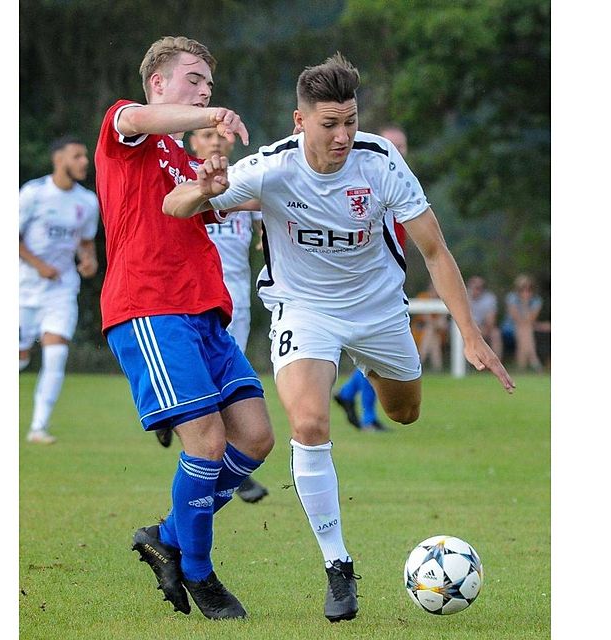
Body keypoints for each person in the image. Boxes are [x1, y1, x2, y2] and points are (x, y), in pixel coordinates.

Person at [163, 53, 514, 623]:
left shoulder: (380, 161)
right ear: (300, 122)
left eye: (350, 120)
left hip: (378, 310)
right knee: (307, 423)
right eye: (330, 124)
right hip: (304, 311)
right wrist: (201, 190)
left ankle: (364, 386)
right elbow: (173, 206)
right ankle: (338, 565)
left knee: (404, 413)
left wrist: (470, 336)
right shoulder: (269, 167)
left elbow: (434, 250)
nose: (344, 135)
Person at [92, 36, 274, 621]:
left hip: (203, 310)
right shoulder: (128, 126)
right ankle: (199, 572)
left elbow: (182, 205)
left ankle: (168, 535)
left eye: (209, 87)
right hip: (149, 306)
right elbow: (140, 119)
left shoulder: (179, 155)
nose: (203, 91)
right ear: (158, 82)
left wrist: (215, 187)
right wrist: (212, 115)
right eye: (193, 79)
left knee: (255, 437)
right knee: (208, 442)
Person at [146, 126, 270, 504]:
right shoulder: (185, 183)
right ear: (192, 142)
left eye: (223, 135)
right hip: (193, 292)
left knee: (231, 380)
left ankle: (206, 441)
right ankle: (206, 445)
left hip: (235, 292)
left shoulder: (240, 180)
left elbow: (266, 217)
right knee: (202, 380)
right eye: (205, 135)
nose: (216, 141)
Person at [19, 135, 100, 444]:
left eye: (85, 157)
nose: (84, 162)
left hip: (61, 289)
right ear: (59, 159)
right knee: (20, 357)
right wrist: (38, 265)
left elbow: (84, 242)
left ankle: (38, 427)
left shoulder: (87, 201)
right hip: (23, 287)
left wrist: (89, 260)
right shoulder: (33, 194)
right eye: (77, 156)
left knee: (56, 354)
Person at [332, 124, 411, 432]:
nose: (397, 152)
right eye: (392, 145)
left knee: (379, 355)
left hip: (390, 277)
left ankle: (353, 398)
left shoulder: (404, 183)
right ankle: (364, 413)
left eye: (402, 146)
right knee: (377, 354)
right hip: (366, 282)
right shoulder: (367, 184)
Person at [502, 274, 543, 371]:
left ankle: (521, 366)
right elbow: (517, 319)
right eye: (522, 289)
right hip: (509, 328)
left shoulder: (537, 300)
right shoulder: (511, 297)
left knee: (525, 330)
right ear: (517, 289)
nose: (526, 291)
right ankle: (534, 360)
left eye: (529, 289)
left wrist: (525, 303)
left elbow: (530, 320)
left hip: (525, 329)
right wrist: (525, 303)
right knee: (524, 330)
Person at [467, 275, 502, 361]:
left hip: (484, 328)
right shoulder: (462, 297)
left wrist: (480, 329)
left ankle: (496, 363)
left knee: (495, 334)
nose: (478, 290)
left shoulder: (489, 298)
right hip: (466, 329)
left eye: (480, 287)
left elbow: (491, 321)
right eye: (475, 287)